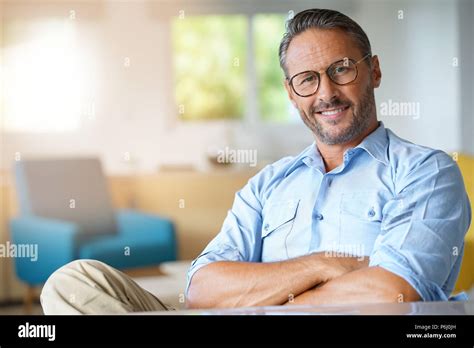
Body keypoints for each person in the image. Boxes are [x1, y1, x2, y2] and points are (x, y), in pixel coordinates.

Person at [41, 8, 471, 314]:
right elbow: (202, 290)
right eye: (307, 79)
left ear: (373, 71)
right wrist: (322, 264)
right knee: (74, 282)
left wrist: (264, 299)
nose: (326, 93)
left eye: (342, 69)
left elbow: (390, 294)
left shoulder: (425, 172)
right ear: (290, 93)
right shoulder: (270, 183)